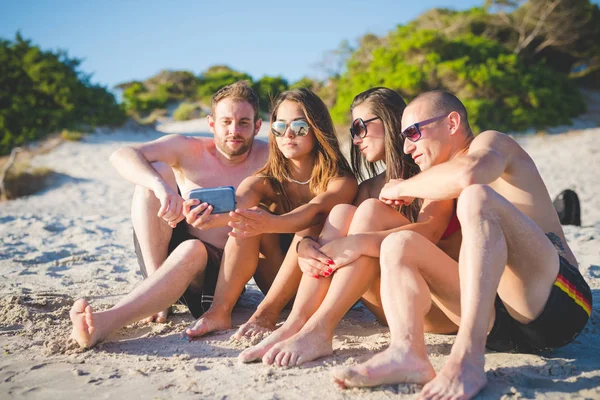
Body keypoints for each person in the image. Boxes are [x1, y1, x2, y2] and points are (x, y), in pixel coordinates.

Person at [331, 91, 592, 400]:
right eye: (402, 137)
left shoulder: (492, 143)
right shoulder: (437, 179)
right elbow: (427, 233)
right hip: (495, 321)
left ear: (452, 123)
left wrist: (403, 187)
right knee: (398, 244)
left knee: (476, 197)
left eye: (413, 133)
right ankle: (407, 353)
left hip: (556, 303)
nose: (405, 146)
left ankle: (468, 357)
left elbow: (471, 173)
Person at [237, 87, 459, 365]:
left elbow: (430, 233)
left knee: (368, 212)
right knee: (342, 212)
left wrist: (356, 243)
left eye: (361, 127)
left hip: (439, 307)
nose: (356, 140)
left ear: (391, 121)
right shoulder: (368, 187)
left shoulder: (431, 174)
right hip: (389, 306)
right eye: (353, 131)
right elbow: (328, 227)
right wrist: (306, 246)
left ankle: (321, 328)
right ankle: (296, 325)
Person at [69, 81, 269, 348]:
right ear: (211, 124)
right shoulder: (188, 148)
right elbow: (121, 155)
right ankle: (154, 287)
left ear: (257, 126)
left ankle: (103, 324)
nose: (234, 131)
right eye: (226, 122)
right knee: (155, 172)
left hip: (222, 274)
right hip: (165, 256)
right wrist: (162, 188)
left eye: (244, 123)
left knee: (194, 249)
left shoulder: (268, 157)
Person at [183, 88, 358, 338]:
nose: (287, 135)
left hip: (325, 286)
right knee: (249, 218)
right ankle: (219, 311)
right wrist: (207, 215)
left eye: (298, 127)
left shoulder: (341, 180)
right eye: (279, 127)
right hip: (277, 280)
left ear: (317, 128)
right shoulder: (264, 180)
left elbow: (316, 212)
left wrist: (272, 223)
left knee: (308, 228)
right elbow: (239, 202)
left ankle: (266, 313)